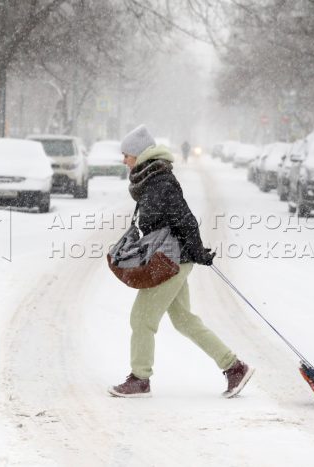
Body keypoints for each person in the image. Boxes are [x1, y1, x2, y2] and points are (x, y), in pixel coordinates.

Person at [108, 124, 254, 399]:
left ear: (139, 155)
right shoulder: (151, 179)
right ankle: (234, 367)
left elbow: (184, 218)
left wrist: (196, 250)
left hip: (171, 260)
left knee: (141, 319)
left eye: (126, 154)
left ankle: (140, 379)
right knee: (184, 320)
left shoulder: (160, 182)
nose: (123, 160)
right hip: (173, 257)